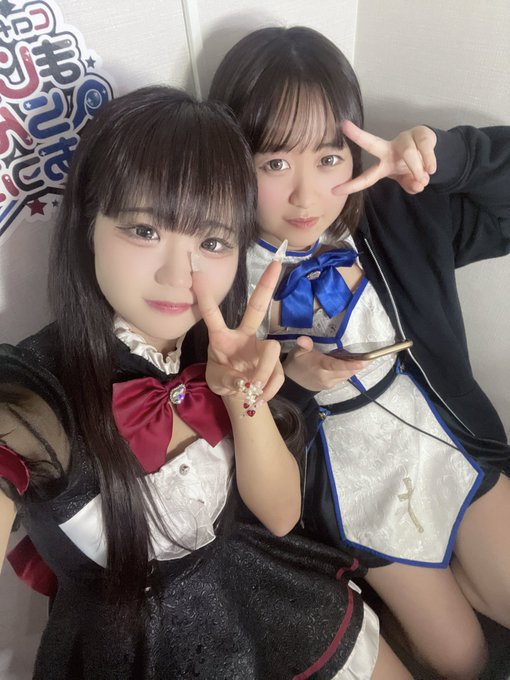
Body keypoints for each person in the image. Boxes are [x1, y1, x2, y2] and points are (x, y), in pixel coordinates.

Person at [0, 86, 413, 679]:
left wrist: (241, 395)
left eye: (212, 242)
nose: (179, 274)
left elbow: (280, 516)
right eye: (145, 231)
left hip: (265, 599)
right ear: (89, 224)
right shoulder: (36, 392)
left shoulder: (218, 348)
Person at [209, 26, 510, 679]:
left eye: (328, 158)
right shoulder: (217, 278)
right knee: (463, 660)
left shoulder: (398, 214)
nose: (306, 197)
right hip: (355, 492)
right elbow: (227, 443)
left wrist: (449, 158)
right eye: (274, 164)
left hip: (446, 442)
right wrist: (294, 382)